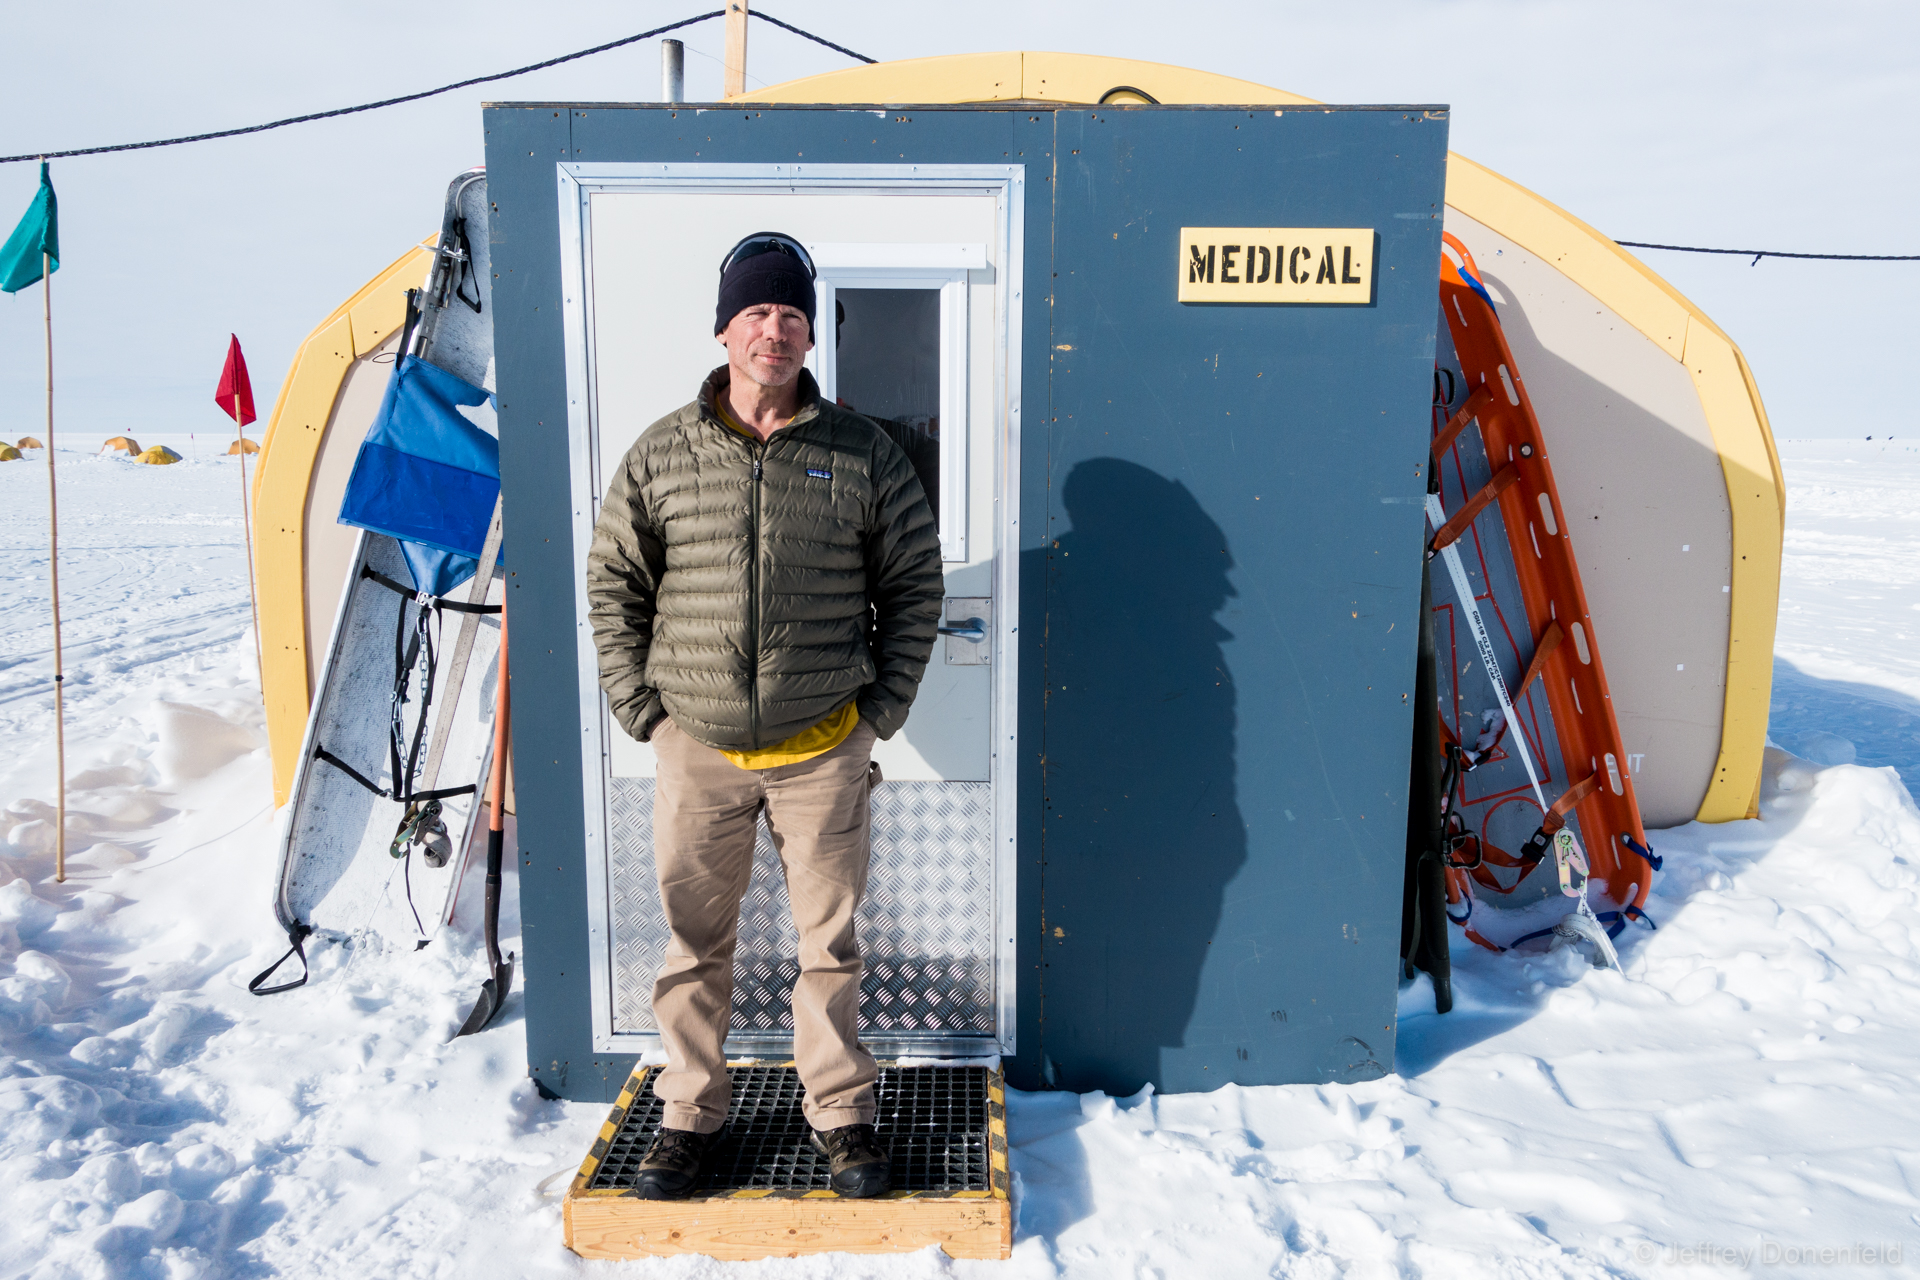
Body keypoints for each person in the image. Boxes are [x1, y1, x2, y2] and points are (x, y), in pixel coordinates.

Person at [585, 232, 944, 1200]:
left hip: (824, 746)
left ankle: (840, 1116)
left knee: (828, 944)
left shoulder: (859, 452)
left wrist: (879, 713)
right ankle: (690, 1119)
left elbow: (914, 583)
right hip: (696, 747)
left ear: (809, 334)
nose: (774, 330)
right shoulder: (665, 451)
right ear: (724, 328)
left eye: (791, 313)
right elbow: (613, 580)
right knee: (693, 943)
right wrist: (648, 716)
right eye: (757, 312)